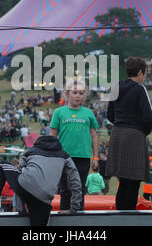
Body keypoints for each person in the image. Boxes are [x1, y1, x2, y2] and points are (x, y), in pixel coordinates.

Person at [0, 135, 82, 226]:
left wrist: (21, 209)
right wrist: (75, 207)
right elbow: (75, 180)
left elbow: (20, 173)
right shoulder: (64, 155)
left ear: (37, 144)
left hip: (25, 186)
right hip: (44, 199)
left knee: (2, 165)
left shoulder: (30, 151)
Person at [106, 56, 152, 210]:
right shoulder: (140, 89)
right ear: (140, 72)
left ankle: (119, 218)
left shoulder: (116, 86)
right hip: (134, 135)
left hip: (117, 134)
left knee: (123, 181)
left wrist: (121, 125)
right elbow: (149, 117)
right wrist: (142, 132)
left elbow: (109, 115)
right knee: (133, 182)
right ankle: (128, 218)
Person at [50, 80, 99, 211]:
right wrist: (51, 156)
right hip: (64, 157)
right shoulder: (59, 112)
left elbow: (94, 136)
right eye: (75, 92)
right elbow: (52, 137)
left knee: (80, 189)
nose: (78, 95)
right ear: (67, 94)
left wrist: (95, 157)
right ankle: (64, 219)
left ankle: (78, 217)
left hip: (83, 156)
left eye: (81, 93)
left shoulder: (88, 113)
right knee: (65, 189)